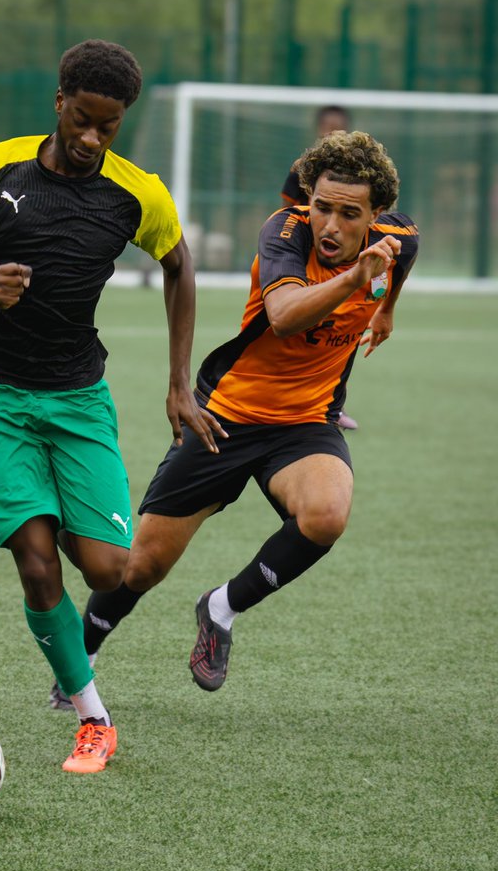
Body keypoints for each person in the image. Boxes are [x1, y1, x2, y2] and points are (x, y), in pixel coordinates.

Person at [0, 39, 220, 775]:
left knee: (107, 571)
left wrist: (178, 382)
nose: (94, 139)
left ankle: (53, 510)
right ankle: (93, 719)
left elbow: (179, 267)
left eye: (110, 126)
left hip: (77, 399)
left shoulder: (138, 193)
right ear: (59, 101)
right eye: (84, 121)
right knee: (37, 567)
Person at [70, 130, 418, 697]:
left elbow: (402, 259)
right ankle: (79, 657)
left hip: (305, 423)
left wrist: (387, 310)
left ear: (376, 215)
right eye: (321, 207)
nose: (330, 225)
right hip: (226, 417)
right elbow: (282, 316)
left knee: (327, 513)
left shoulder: (397, 238)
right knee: (139, 568)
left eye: (348, 214)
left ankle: (221, 608)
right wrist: (358, 280)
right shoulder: (283, 234)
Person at [281, 104, 359, 431]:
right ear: (318, 130)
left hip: (340, 262)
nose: (332, 133)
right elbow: (286, 208)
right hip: (305, 257)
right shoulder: (303, 168)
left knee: (341, 332)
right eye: (327, 127)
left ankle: (330, 405)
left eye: (338, 128)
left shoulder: (360, 173)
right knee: (292, 327)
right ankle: (284, 397)